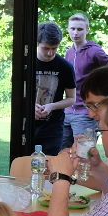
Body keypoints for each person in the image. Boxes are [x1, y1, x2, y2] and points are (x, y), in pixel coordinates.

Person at [63, 13, 108, 148]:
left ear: (87, 29)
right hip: (67, 113)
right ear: (68, 29)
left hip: (85, 114)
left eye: (80, 29)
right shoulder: (68, 53)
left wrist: (106, 94)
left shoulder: (95, 52)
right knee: (62, 155)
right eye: (72, 29)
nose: (75, 33)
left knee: (84, 155)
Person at [33, 22, 76, 155]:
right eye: (45, 48)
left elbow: (71, 99)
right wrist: (30, 106)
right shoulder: (26, 63)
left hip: (52, 129)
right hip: (27, 127)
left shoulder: (65, 67)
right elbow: (16, 95)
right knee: (23, 167)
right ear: (37, 44)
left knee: (49, 167)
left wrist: (51, 106)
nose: (50, 53)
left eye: (54, 48)